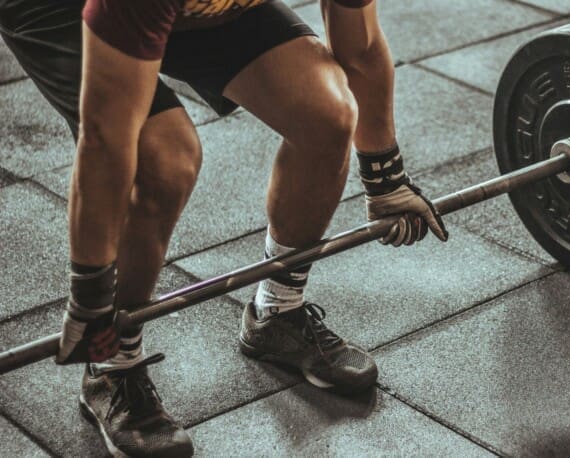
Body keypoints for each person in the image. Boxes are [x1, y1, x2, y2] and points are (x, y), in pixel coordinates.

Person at [0, 0, 447, 456]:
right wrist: (91, 297)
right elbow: (106, 140)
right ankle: (111, 366)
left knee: (326, 112)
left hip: (198, 9)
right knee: (163, 159)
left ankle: (277, 312)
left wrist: (385, 178)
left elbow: (361, 48)